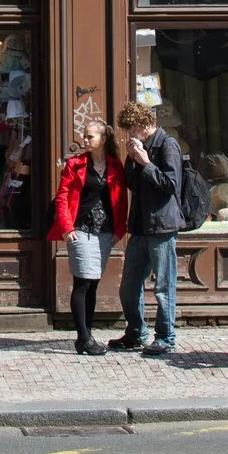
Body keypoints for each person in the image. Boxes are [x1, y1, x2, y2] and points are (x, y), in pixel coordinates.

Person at [112, 102, 187, 357]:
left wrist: (145, 162)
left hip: (162, 226)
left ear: (144, 124)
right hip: (141, 226)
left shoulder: (168, 145)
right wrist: (133, 161)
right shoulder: (139, 147)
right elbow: (130, 183)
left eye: (131, 129)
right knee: (129, 285)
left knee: (163, 286)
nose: (129, 135)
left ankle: (166, 336)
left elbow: (170, 185)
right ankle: (136, 332)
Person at [50, 120, 129, 356]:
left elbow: (121, 200)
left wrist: (119, 230)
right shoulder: (75, 164)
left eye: (90, 137)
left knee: (93, 282)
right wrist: (66, 227)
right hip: (80, 229)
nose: (85, 140)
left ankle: (88, 335)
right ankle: (83, 338)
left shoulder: (115, 166)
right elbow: (62, 197)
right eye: (84, 136)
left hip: (104, 231)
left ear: (103, 139)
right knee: (83, 281)